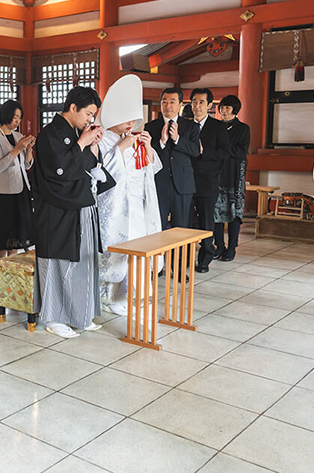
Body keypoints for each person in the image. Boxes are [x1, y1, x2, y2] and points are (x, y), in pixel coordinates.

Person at [34, 86, 112, 339]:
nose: (90, 120)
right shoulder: (50, 134)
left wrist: (91, 147)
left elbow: (88, 166)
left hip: (79, 206)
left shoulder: (78, 133)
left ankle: (81, 313)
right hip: (56, 210)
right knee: (59, 264)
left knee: (83, 262)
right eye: (88, 113)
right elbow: (60, 171)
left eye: (93, 115)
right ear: (73, 107)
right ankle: (54, 318)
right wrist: (81, 143)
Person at [96, 76, 162, 316]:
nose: (130, 124)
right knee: (115, 252)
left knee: (136, 248)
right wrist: (121, 148)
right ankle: (107, 297)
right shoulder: (102, 140)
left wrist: (149, 147)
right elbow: (100, 173)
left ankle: (129, 294)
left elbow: (151, 170)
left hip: (136, 204)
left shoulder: (136, 139)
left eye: (133, 119)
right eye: (126, 119)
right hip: (113, 205)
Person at [144, 88, 201, 231]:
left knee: (181, 229)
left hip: (183, 184)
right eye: (164, 102)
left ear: (180, 104)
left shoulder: (191, 127)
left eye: (172, 102)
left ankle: (181, 254)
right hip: (159, 183)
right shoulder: (150, 126)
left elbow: (195, 151)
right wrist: (162, 142)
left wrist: (177, 139)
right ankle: (159, 254)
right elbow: (147, 154)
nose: (167, 106)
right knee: (157, 226)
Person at [0, 99, 35, 257]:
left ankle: (12, 276)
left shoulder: (18, 135)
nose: (17, 121)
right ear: (6, 115)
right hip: (3, 194)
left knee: (16, 238)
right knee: (3, 239)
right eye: (15, 117)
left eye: (19, 117)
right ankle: (1, 275)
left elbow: (26, 166)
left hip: (21, 190)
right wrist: (17, 148)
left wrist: (28, 150)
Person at [189, 88, 230, 273]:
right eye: (194, 102)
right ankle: (184, 258)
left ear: (210, 105)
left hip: (208, 181)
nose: (197, 106)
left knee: (206, 223)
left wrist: (205, 152)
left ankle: (204, 259)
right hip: (186, 181)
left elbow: (225, 153)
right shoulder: (185, 126)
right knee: (186, 223)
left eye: (201, 102)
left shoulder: (218, 127)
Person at [213, 95, 250, 262]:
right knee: (217, 212)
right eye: (222, 107)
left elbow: (241, 152)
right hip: (217, 173)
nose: (224, 111)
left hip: (235, 174)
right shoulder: (216, 126)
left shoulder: (243, 128)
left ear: (235, 110)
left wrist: (224, 150)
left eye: (228, 108)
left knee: (234, 212)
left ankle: (232, 247)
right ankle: (219, 245)